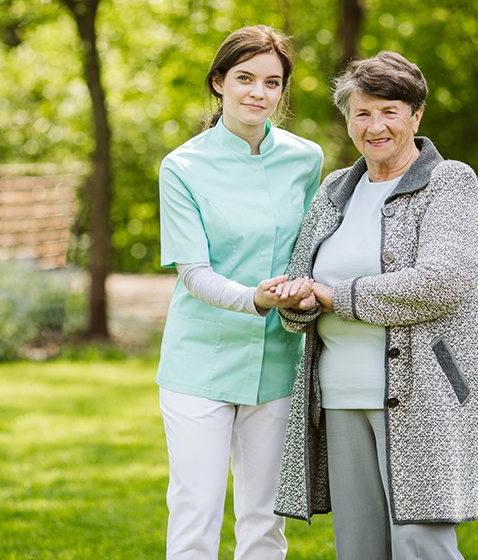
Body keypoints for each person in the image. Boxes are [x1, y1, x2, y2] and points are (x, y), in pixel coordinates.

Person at [273, 51, 478, 559]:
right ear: (348, 120)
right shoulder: (336, 189)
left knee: (421, 548)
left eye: (389, 111)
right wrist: (296, 298)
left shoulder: (450, 182)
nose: (375, 126)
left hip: (424, 397)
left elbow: (441, 282)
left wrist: (335, 296)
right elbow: (304, 283)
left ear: (416, 116)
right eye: (362, 112)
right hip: (339, 394)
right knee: (359, 549)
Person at [156, 25, 323, 560]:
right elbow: (194, 273)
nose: (258, 92)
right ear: (219, 83)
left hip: (278, 359)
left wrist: (306, 292)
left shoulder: (307, 159)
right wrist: (256, 298)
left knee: (265, 522)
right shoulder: (182, 167)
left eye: (271, 82)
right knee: (195, 518)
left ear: (283, 91)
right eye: (244, 78)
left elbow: (312, 250)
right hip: (199, 364)